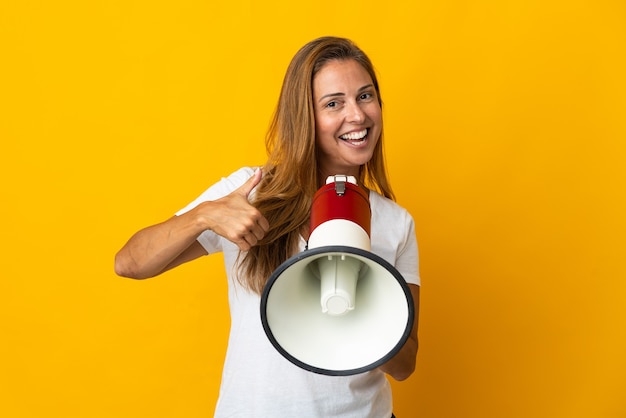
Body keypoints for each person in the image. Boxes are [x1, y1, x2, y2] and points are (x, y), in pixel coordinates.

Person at [115, 36, 420, 418]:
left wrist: (367, 289)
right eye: (333, 103)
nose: (357, 116)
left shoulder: (395, 222)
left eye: (365, 96)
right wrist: (203, 216)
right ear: (305, 117)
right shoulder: (250, 193)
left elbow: (405, 365)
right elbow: (129, 263)